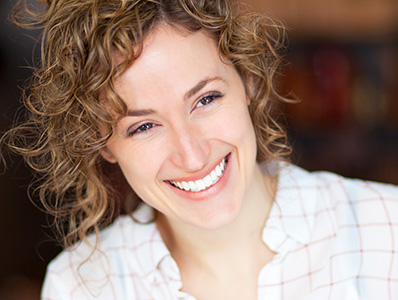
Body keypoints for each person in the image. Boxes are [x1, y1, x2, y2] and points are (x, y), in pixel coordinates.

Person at [2, 0, 398, 299]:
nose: (191, 156)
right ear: (102, 143)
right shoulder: (80, 287)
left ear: (248, 82)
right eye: (144, 126)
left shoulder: (385, 229)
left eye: (205, 100)